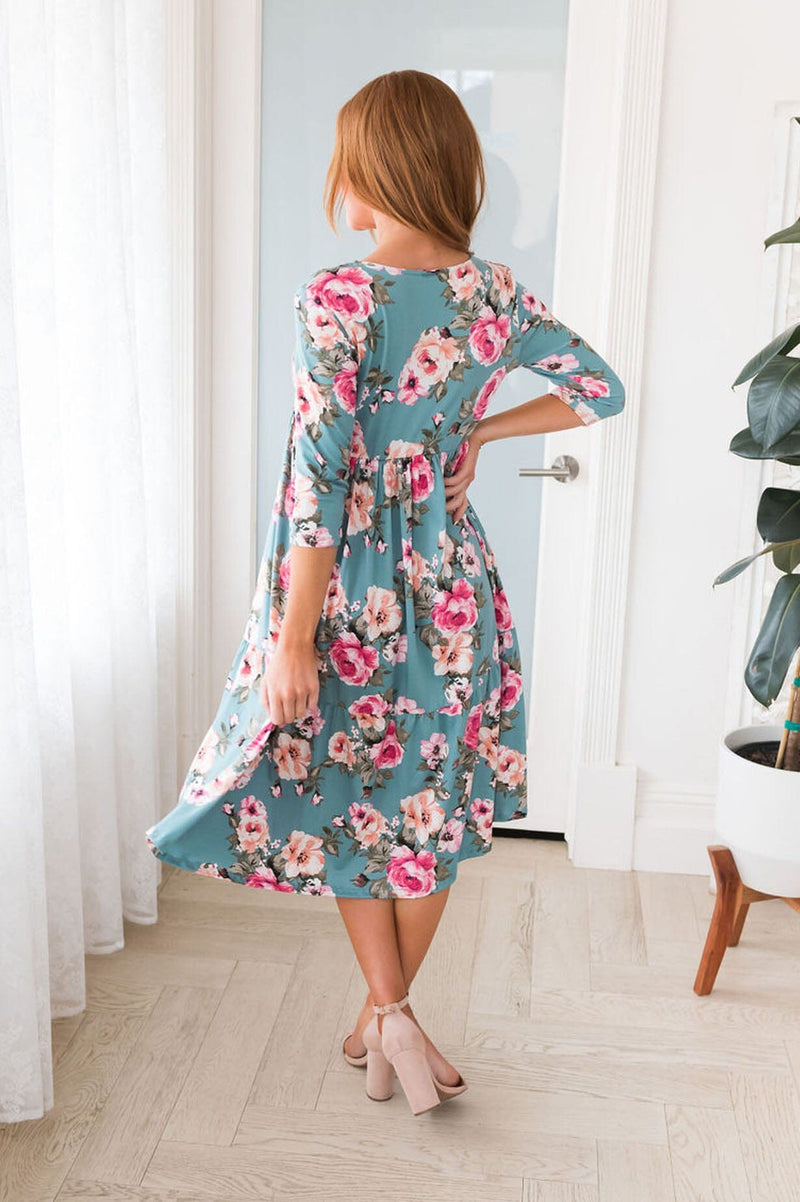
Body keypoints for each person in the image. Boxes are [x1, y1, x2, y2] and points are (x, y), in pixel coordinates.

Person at [145, 69, 625, 1116]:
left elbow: (319, 487)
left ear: (375, 167)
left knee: (355, 797)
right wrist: (477, 429)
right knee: (429, 798)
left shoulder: (340, 297)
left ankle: (390, 1013)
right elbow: (601, 390)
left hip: (346, 593)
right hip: (452, 586)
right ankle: (386, 1016)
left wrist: (293, 640)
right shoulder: (493, 293)